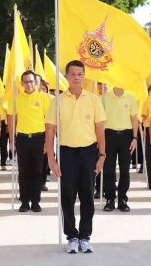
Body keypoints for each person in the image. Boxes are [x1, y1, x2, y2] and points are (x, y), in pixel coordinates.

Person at [45, 60, 106, 254]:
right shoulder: (58, 100)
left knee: (88, 194)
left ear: (84, 75)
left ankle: (85, 236)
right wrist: (52, 159)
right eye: (72, 74)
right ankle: (71, 236)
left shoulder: (94, 99)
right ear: (67, 76)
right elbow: (49, 131)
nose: (76, 77)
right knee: (68, 196)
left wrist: (102, 154)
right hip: (66, 152)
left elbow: (100, 130)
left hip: (89, 152)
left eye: (80, 74)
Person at [7, 70, 50, 212]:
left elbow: (49, 121)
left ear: (36, 82)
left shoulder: (44, 98)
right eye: (26, 82)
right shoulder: (16, 98)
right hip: (23, 138)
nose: (29, 84)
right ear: (22, 83)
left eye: (31, 81)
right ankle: (24, 200)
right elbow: (12, 119)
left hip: (39, 137)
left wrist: (47, 142)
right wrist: (12, 139)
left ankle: (36, 201)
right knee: (24, 170)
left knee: (37, 171)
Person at [102, 87, 138, 212]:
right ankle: (110, 199)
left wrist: (135, 138)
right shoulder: (104, 97)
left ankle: (122, 199)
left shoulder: (130, 98)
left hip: (126, 136)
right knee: (108, 169)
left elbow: (134, 119)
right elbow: (100, 120)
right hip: (109, 135)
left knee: (125, 170)